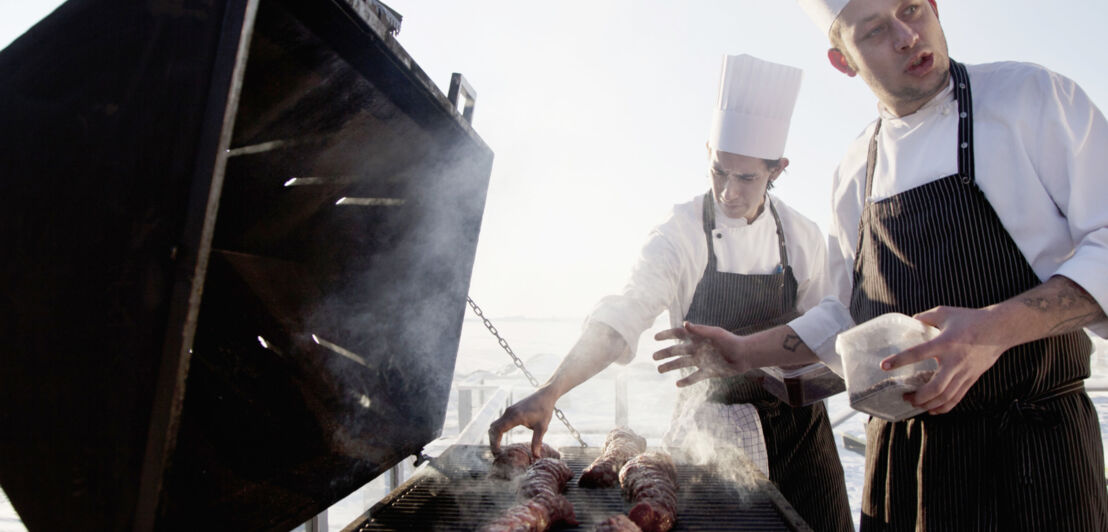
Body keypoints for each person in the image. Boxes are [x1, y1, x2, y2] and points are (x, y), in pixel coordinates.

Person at [654, 0, 1108, 529]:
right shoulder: (855, 169)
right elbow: (849, 321)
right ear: (842, 60)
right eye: (873, 31)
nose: (906, 36)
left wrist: (993, 330)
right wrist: (743, 353)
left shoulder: (1030, 98)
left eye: (912, 9)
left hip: (1032, 455)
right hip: (902, 464)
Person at [486, 54, 854, 531]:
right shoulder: (680, 232)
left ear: (778, 169)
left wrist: (780, 367)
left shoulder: (802, 236)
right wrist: (553, 389)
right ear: (707, 153)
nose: (728, 193)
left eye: (746, 178)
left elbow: (828, 335)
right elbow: (625, 315)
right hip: (711, 434)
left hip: (801, 435)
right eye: (719, 171)